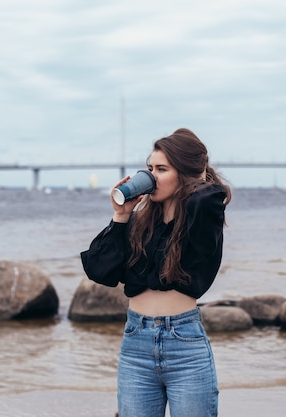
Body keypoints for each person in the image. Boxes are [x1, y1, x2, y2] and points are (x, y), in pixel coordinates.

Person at [80, 128, 231, 417]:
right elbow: (100, 270)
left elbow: (207, 197)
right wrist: (121, 215)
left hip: (185, 344)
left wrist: (197, 175)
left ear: (185, 174)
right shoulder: (139, 223)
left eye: (161, 169)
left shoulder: (202, 217)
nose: (151, 176)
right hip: (136, 344)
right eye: (149, 168)